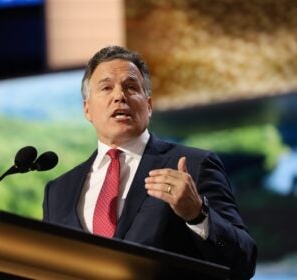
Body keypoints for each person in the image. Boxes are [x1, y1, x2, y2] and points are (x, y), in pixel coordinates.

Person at [43, 45, 257, 279]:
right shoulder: (58, 192)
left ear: (149, 105)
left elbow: (244, 261)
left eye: (131, 87)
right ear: (87, 109)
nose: (119, 96)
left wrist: (198, 214)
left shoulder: (194, 164)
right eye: (106, 88)